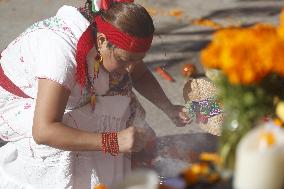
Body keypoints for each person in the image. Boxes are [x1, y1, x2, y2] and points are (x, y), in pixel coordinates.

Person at [0, 0, 189, 188]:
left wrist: (169, 108)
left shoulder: (111, 35)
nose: (131, 68)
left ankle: (116, 169)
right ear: (101, 41)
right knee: (77, 128)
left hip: (59, 95)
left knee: (119, 100)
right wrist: (113, 141)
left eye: (138, 59)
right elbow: (44, 131)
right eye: (124, 59)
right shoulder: (60, 53)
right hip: (20, 105)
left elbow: (138, 72)